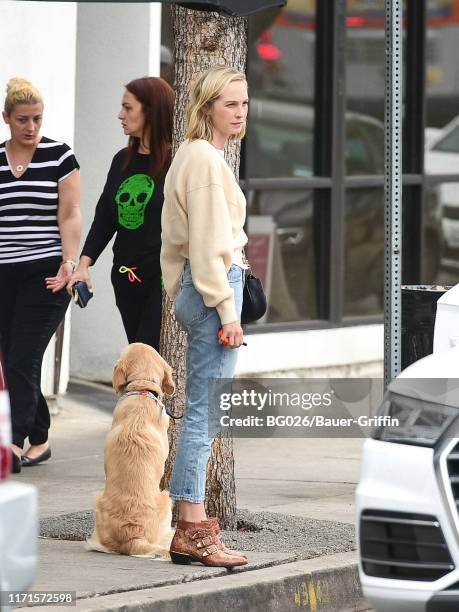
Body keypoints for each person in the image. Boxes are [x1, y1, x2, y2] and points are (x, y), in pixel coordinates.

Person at [161, 66, 249, 568]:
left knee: (203, 410)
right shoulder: (202, 159)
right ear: (207, 106)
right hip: (211, 289)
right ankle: (193, 528)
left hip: (204, 288)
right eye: (229, 104)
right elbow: (208, 247)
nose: (239, 113)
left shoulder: (204, 157)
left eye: (244, 104)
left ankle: (191, 522)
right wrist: (227, 310)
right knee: (204, 413)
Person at [0, 78, 81, 473]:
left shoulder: (59, 156)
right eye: (22, 120)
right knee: (11, 357)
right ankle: (41, 438)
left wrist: (69, 263)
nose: (31, 127)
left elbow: (69, 215)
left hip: (48, 274)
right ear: (6, 119)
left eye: (37, 119)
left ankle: (12, 443)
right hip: (4, 274)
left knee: (23, 356)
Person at [62, 77, 174, 350]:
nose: (120, 115)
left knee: (146, 355)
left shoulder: (177, 163)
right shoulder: (121, 160)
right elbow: (106, 216)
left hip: (163, 280)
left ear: (150, 111)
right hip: (125, 276)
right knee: (138, 352)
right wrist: (84, 265)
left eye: (128, 107)